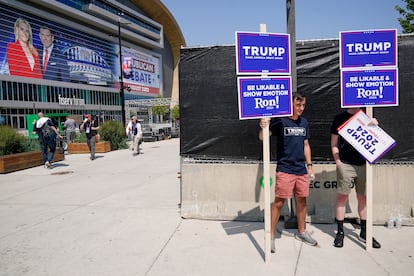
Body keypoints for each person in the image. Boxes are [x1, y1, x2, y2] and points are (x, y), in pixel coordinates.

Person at [259, 92, 317, 253]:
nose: (301, 108)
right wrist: (263, 126)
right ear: (290, 104)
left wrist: (310, 166)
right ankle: (270, 236)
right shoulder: (280, 121)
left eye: (303, 105)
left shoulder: (304, 122)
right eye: (298, 105)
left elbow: (306, 145)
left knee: (302, 201)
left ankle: (302, 231)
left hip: (301, 170)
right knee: (279, 202)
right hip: (285, 169)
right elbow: (263, 138)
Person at [330, 108, 381, 249]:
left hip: (364, 164)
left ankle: (365, 232)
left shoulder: (367, 115)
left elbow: (376, 140)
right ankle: (340, 232)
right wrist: (338, 162)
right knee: (342, 197)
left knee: (363, 198)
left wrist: (375, 126)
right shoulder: (339, 118)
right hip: (345, 164)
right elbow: (334, 143)